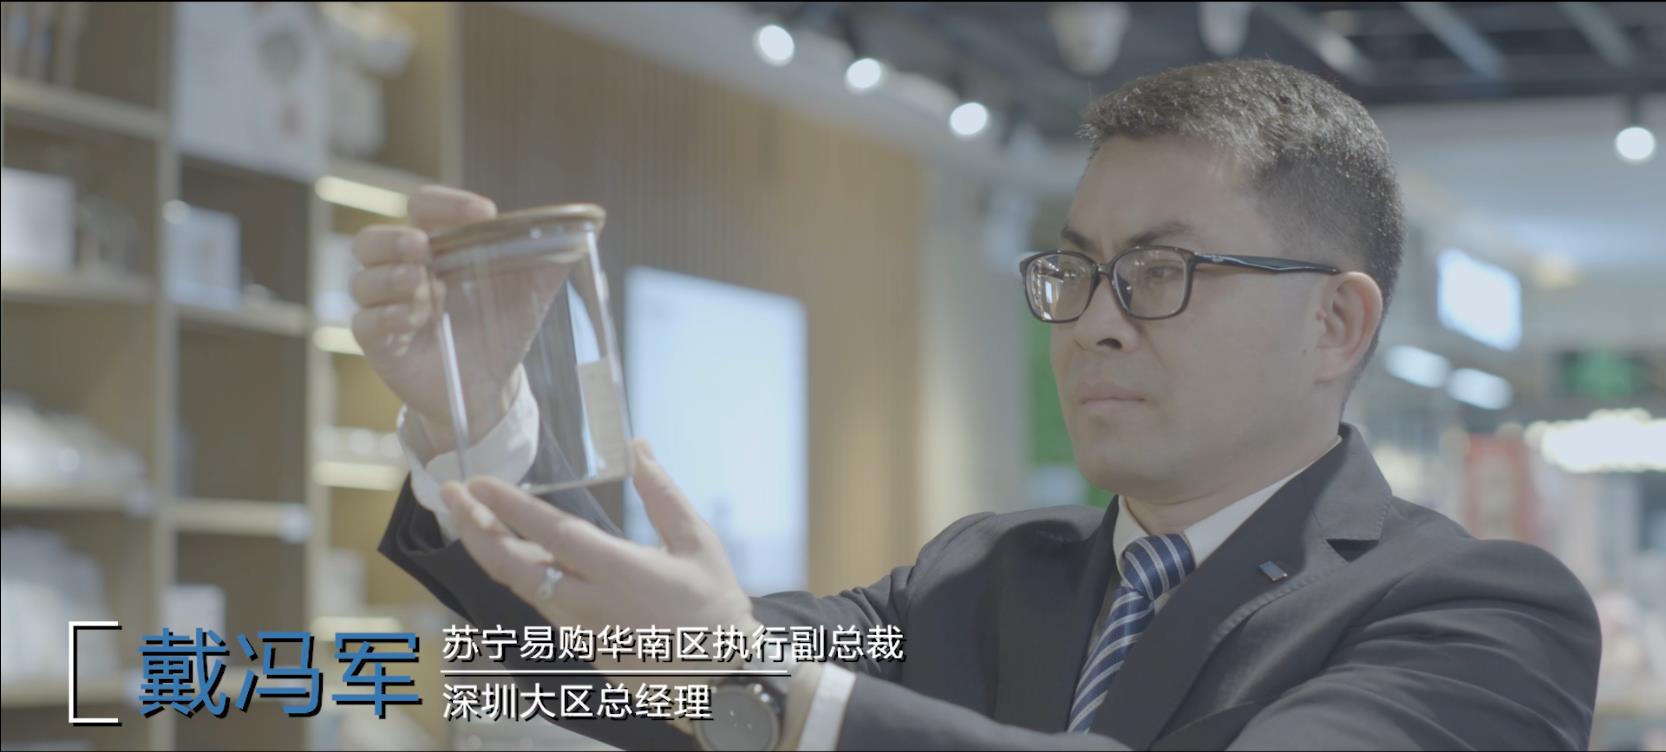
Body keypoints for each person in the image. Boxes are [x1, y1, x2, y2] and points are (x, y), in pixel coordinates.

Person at [360, 60, 1599, 749]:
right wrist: (478, 417)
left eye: (1160, 271)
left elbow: (751, 684)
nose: (1095, 318)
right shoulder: (985, 574)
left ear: (1335, 322)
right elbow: (623, 669)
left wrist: (762, 682)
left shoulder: (1478, 612)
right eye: (1078, 269)